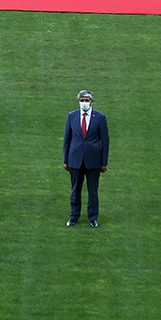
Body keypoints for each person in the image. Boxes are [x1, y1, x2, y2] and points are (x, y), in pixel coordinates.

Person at [63, 89, 109, 227]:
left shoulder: (100, 117)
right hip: (75, 160)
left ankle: (93, 217)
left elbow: (105, 141)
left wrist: (104, 162)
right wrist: (65, 160)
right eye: (82, 100)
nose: (84, 103)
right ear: (78, 101)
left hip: (93, 161)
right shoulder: (72, 116)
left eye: (86, 100)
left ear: (92, 101)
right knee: (75, 189)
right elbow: (67, 139)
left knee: (93, 191)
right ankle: (73, 216)